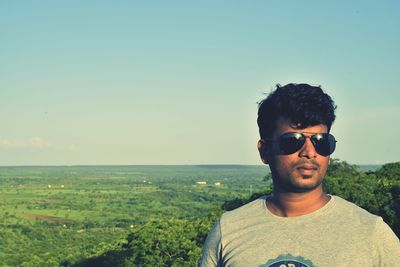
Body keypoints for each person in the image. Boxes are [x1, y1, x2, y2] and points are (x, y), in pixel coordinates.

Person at [201, 83, 400, 266]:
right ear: (264, 151)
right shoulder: (228, 230)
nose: (309, 152)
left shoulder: (371, 233)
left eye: (321, 141)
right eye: (292, 140)